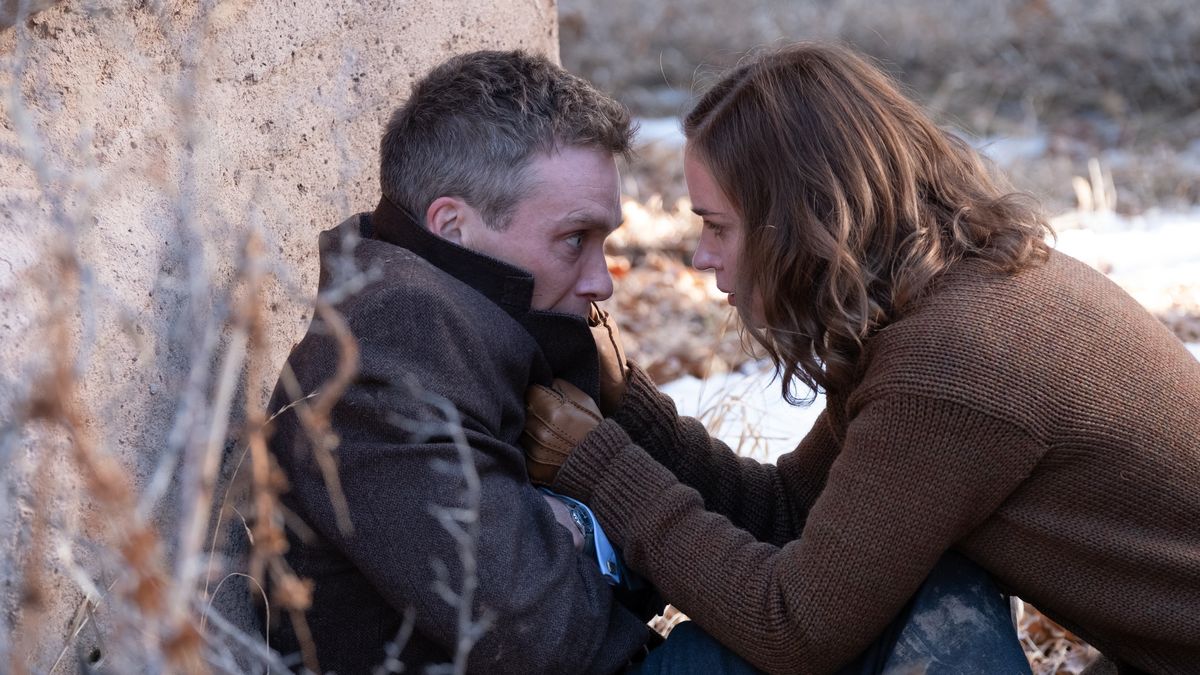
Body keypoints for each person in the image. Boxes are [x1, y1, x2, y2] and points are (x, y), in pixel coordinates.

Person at [521, 42, 1200, 675]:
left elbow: (793, 624)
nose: (701, 255)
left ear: (803, 219)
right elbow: (796, 512)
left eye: (717, 225)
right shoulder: (945, 294)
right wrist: (634, 411)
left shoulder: (955, 360)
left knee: (922, 589)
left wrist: (601, 468)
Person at [262, 50, 659, 674]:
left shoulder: (475, 320)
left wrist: (569, 523)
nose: (601, 282)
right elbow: (546, 633)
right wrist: (599, 528)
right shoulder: (393, 347)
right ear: (452, 226)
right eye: (574, 239)